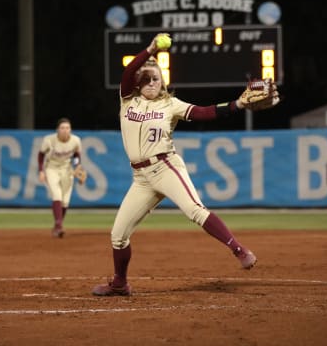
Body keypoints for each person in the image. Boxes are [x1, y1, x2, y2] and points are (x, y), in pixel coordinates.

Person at [92, 33, 260, 297]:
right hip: (141, 178)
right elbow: (128, 72)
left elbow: (205, 112)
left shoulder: (171, 104)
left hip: (166, 167)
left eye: (155, 78)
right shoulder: (127, 100)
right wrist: (149, 51)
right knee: (118, 235)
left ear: (163, 82)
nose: (149, 81)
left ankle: (239, 250)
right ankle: (120, 283)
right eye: (144, 78)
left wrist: (237, 104)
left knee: (194, 210)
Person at [37, 117, 83, 238]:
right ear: (57, 129)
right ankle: (58, 226)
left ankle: (57, 226)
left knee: (65, 201)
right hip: (51, 168)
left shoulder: (75, 140)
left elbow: (77, 154)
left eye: (67, 128)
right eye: (62, 128)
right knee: (56, 195)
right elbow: (41, 154)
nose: (65, 130)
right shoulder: (49, 140)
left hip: (67, 169)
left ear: (70, 129)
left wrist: (78, 165)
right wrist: (41, 171)